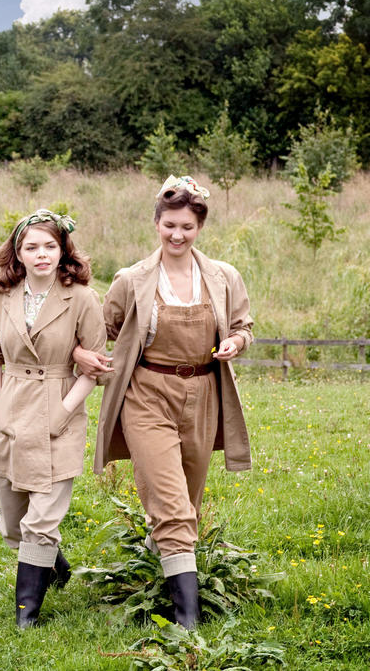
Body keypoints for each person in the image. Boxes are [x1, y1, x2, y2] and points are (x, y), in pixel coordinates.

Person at [76, 175, 253, 629]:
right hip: (146, 394)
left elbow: (243, 325)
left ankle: (164, 558)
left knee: (186, 504)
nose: (177, 235)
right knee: (173, 507)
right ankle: (187, 620)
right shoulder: (131, 279)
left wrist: (236, 341)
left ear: (200, 228)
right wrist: (82, 353)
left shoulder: (222, 276)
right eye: (170, 225)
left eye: (187, 227)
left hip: (204, 394)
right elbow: (102, 330)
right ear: (156, 222)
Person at [0, 210, 107, 628]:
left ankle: (25, 617)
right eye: (32, 247)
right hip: (11, 407)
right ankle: (56, 567)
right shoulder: (1, 294)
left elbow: (94, 368)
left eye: (50, 245)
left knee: (41, 519)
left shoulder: (82, 297)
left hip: (59, 405)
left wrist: (65, 410)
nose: (42, 254)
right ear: (18, 252)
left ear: (63, 249)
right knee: (14, 522)